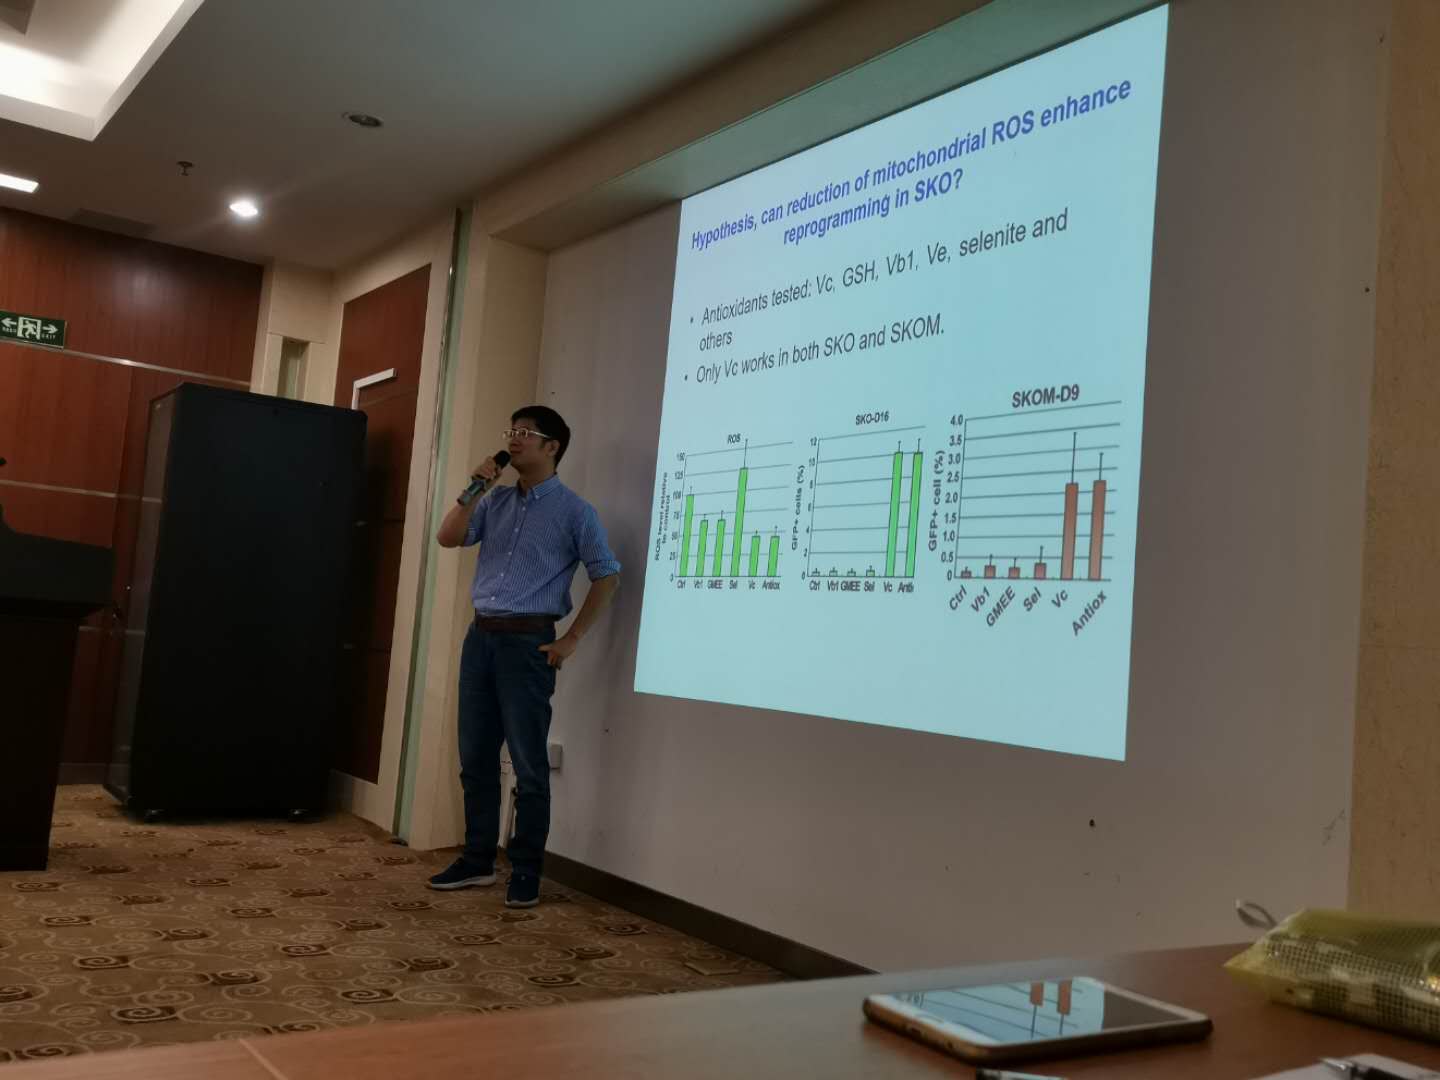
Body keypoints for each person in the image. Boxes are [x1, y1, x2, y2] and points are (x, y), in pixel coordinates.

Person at [429, 406, 620, 907]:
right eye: (511, 431)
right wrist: (473, 489)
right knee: (475, 758)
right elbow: (448, 537)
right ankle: (477, 860)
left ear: (552, 446)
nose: (513, 440)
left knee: (529, 764)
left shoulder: (575, 512)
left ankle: (526, 870)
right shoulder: (492, 501)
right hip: (481, 638)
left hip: (529, 643)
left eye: (525, 433)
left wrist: (571, 639)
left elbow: (607, 575)